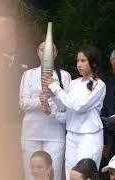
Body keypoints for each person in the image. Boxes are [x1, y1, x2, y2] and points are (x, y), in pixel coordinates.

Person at [41, 45, 106, 179]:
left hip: (89, 136)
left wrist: (55, 87)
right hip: (71, 135)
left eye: (83, 61)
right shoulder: (74, 83)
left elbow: (79, 106)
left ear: (93, 63)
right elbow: (66, 107)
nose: (79, 64)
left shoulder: (99, 85)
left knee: (85, 175)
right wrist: (50, 99)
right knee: (71, 175)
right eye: (78, 61)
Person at [19, 41, 71, 180]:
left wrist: (54, 94)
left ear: (55, 54)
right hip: (31, 131)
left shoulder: (64, 76)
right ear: (37, 52)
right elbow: (23, 103)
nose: (45, 54)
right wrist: (40, 101)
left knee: (53, 172)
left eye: (49, 51)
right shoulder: (28, 74)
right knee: (32, 173)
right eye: (42, 50)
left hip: (55, 132)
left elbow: (66, 106)